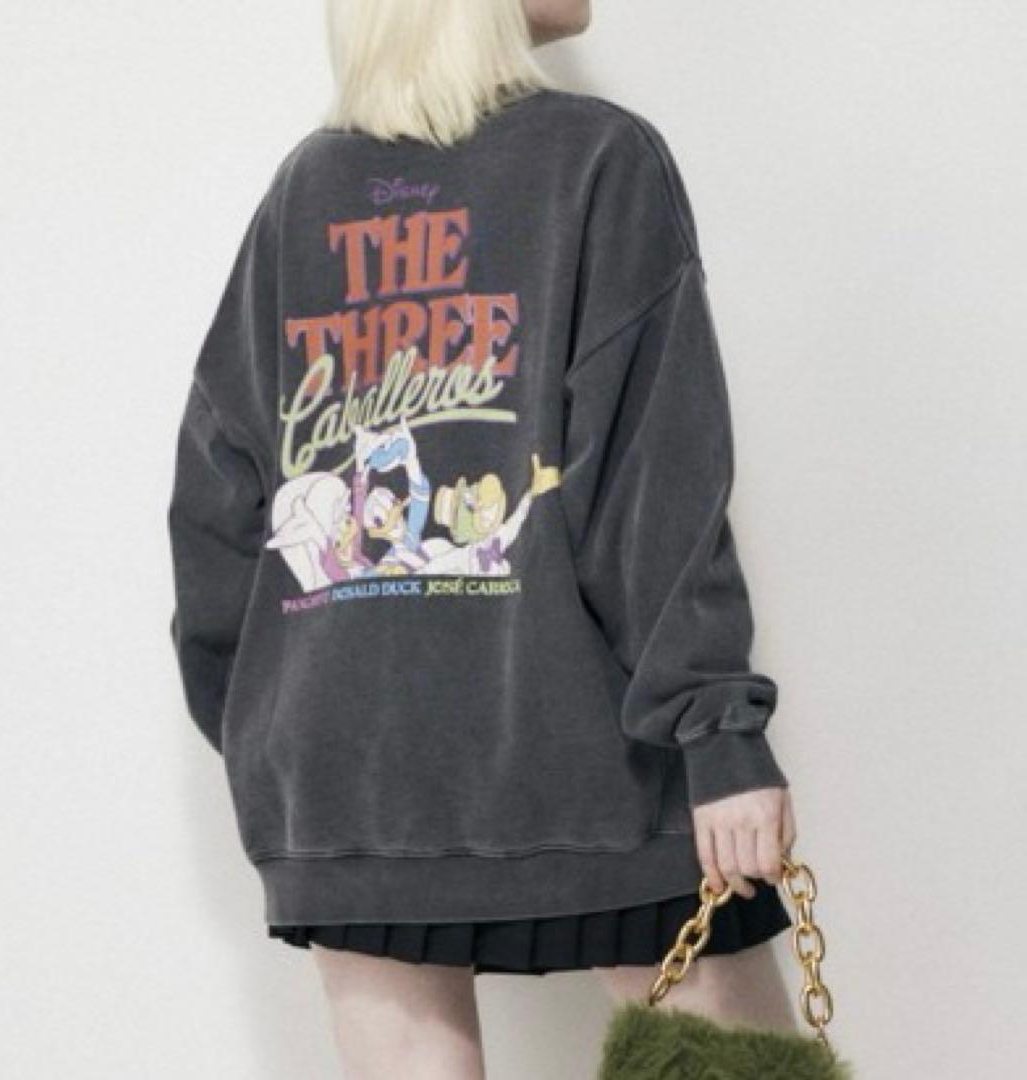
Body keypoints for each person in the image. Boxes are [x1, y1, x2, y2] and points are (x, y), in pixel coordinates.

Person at [166, 0, 800, 1074]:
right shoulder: (600, 158)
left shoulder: (302, 191)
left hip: (342, 773)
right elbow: (653, 479)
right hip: (580, 756)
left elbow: (217, 500)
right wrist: (718, 732)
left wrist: (276, 726)